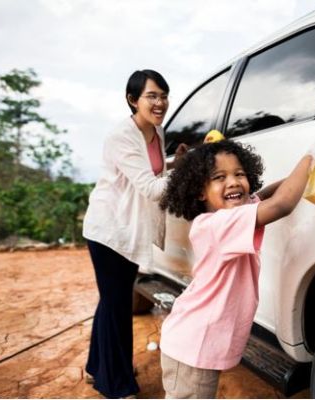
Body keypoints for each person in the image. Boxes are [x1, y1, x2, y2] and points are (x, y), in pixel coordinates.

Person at [153, 137, 315, 398]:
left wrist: (309, 172)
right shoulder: (215, 225)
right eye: (219, 177)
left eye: (239, 174)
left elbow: (268, 194)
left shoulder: (232, 213)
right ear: (200, 191)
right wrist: (310, 156)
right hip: (192, 349)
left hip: (195, 343)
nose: (233, 182)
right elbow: (281, 204)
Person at [80, 69, 186, 399]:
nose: (160, 102)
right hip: (110, 230)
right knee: (116, 305)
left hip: (127, 228)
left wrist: (173, 163)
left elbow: (154, 170)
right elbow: (152, 188)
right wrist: (182, 173)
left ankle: (98, 367)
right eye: (152, 96)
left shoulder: (157, 131)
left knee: (111, 302)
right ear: (132, 100)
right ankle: (117, 386)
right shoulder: (121, 136)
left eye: (164, 95)